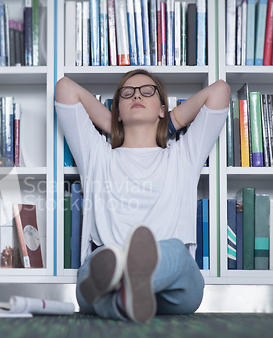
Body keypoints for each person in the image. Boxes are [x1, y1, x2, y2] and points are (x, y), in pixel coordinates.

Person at [54, 69, 230, 322]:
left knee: (175, 252)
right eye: (127, 93)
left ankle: (130, 284)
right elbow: (65, 88)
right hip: (108, 262)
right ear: (117, 110)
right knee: (93, 271)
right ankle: (129, 297)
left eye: (147, 91)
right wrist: (117, 125)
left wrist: (165, 125)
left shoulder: (183, 156)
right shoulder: (98, 156)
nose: (136, 95)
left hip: (174, 284)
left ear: (162, 108)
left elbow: (220, 91)